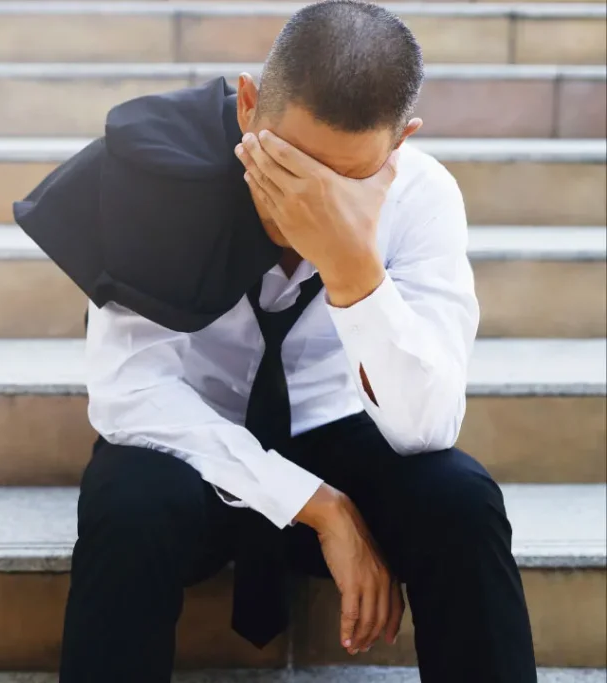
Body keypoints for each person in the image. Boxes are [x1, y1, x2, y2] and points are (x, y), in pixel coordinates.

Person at [54, 1, 538, 681]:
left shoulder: (422, 195)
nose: (307, 198)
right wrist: (316, 504)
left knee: (462, 499)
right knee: (126, 500)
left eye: (345, 178)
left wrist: (352, 270)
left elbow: (427, 425)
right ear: (248, 104)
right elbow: (130, 396)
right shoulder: (159, 174)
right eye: (290, 164)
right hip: (199, 454)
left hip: (343, 431)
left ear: (400, 143)